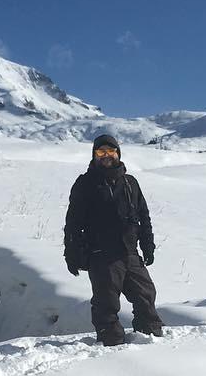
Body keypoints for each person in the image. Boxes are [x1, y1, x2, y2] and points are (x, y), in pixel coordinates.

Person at [63, 134, 164, 346]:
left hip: (129, 252)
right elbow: (73, 222)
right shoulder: (85, 183)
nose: (106, 156)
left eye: (111, 151)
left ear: (118, 153)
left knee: (146, 296)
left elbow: (143, 216)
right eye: (101, 152)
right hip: (102, 256)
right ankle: (111, 348)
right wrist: (71, 253)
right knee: (106, 304)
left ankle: (151, 340)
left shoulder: (130, 183)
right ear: (94, 155)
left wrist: (148, 245)